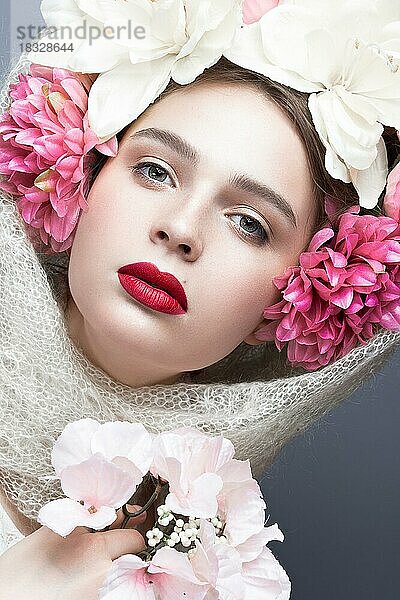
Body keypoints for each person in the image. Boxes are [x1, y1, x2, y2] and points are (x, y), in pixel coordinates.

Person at [0, 1, 398, 597]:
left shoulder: (219, 564)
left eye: (250, 224)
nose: (181, 229)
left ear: (298, 304)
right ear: (79, 177)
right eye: (156, 170)